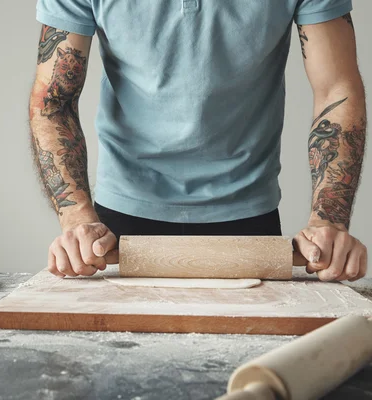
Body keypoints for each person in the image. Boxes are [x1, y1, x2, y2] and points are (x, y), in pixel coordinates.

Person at [28, 1, 367, 281]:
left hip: (247, 215)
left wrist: (329, 220)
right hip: (118, 225)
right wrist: (76, 219)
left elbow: (336, 90)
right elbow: (53, 100)